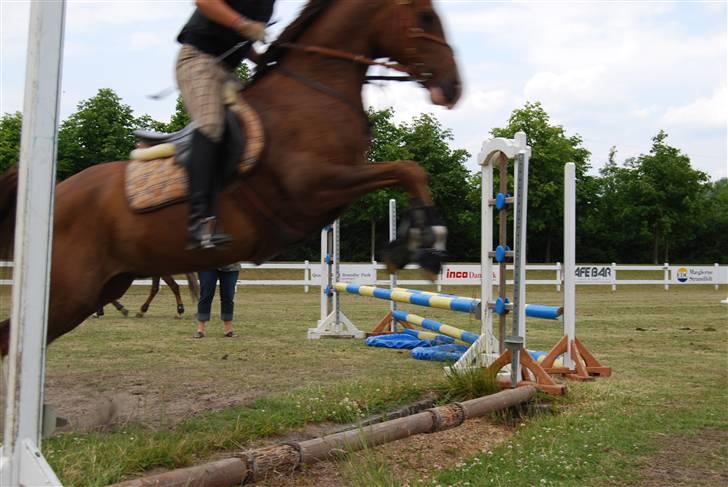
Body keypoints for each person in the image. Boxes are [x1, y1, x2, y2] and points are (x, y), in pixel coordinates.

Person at [176, 0, 275, 249]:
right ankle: (199, 222)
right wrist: (244, 25)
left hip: (227, 71)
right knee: (210, 124)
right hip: (198, 62)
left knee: (264, 123)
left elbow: (241, 45)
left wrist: (263, 59)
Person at [194, 263, 241, 338]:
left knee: (228, 296)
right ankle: (200, 330)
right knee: (206, 295)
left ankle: (228, 330)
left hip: (231, 265)